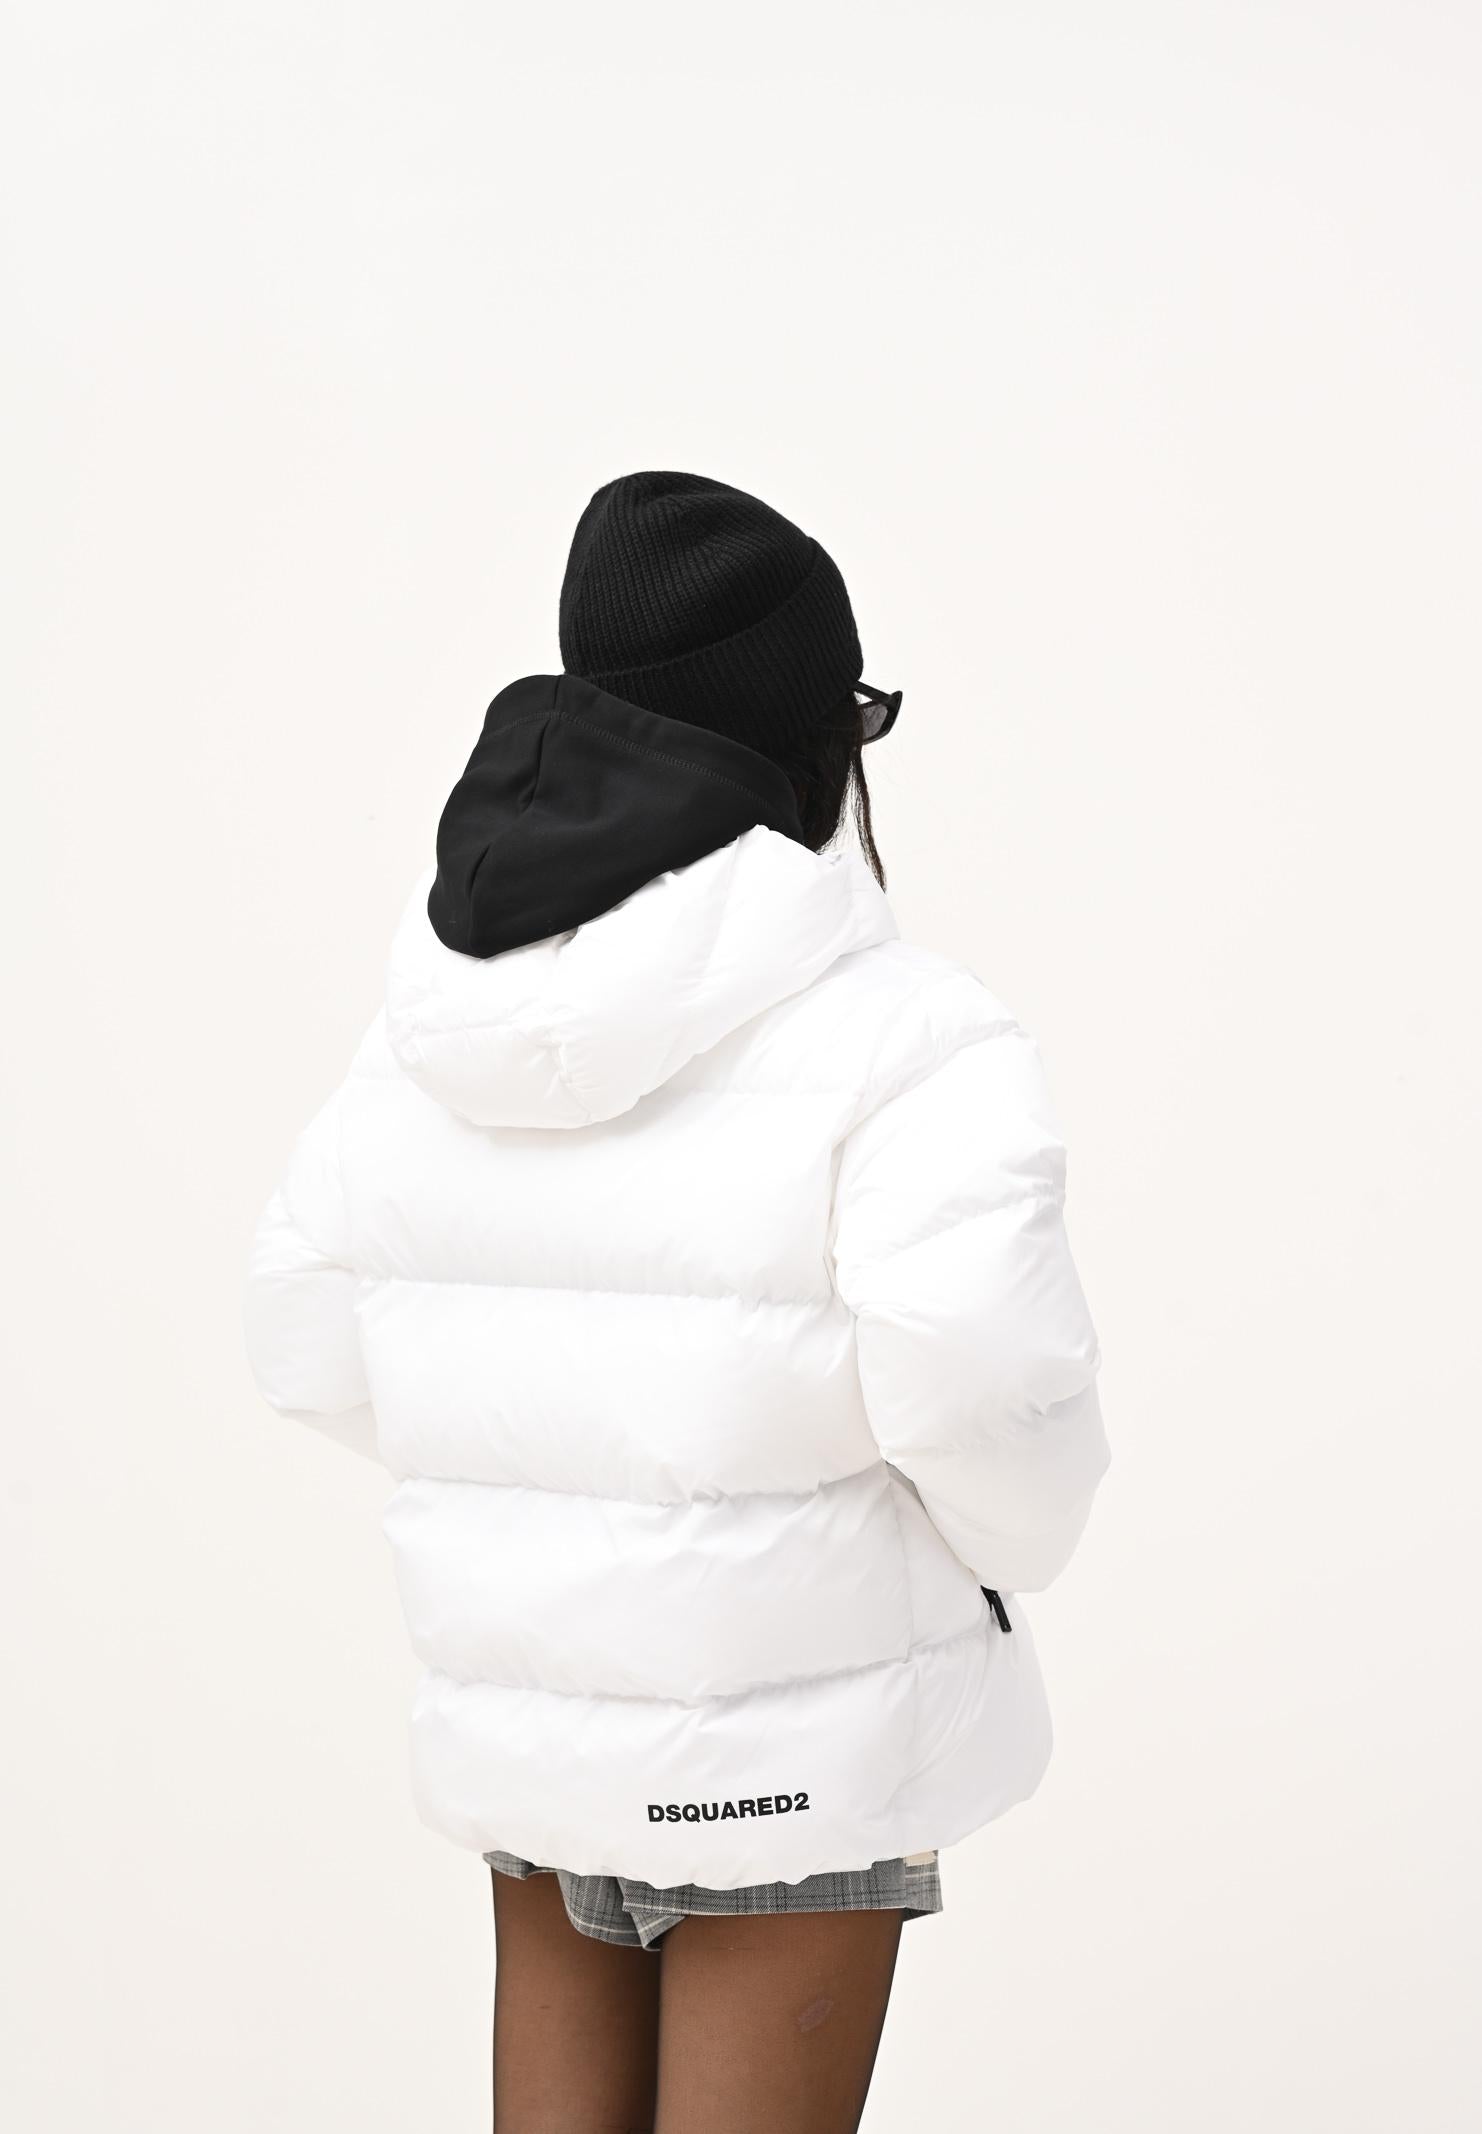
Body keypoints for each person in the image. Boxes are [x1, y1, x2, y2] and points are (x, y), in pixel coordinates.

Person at [244, 470, 1109, 2132]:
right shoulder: (910, 1033)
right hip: (795, 1739)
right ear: (816, 741)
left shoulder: (433, 1022)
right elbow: (984, 1385)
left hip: (534, 1726)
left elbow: (301, 1330)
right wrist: (1000, 1551)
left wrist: (542, 1497)